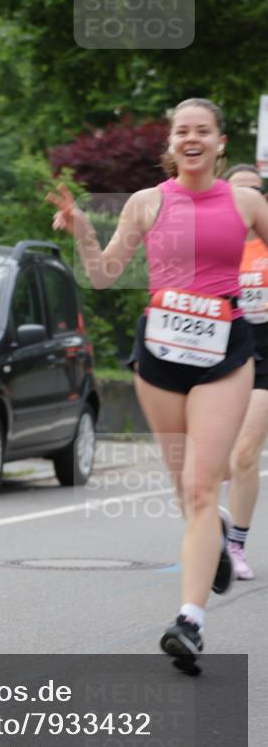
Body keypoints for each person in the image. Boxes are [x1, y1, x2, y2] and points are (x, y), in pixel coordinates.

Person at [47, 98, 268, 671]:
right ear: (170, 145)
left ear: (221, 143)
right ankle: (212, 537)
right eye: (181, 131)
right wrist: (81, 232)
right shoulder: (146, 204)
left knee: (201, 486)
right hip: (161, 351)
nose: (191, 139)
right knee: (188, 493)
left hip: (225, 349)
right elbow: (102, 275)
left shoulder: (247, 202)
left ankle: (189, 620)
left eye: (203, 131)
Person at [221, 164, 268, 580]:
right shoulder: (218, 244)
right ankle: (211, 527)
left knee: (244, 453)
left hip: (265, 356)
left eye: (253, 190)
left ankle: (236, 544)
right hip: (223, 351)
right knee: (216, 460)